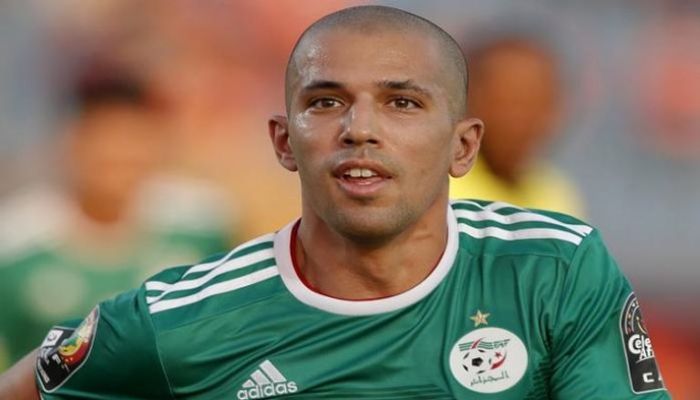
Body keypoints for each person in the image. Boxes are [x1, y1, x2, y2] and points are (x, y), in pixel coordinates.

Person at [0, 5, 668, 399]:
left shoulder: (558, 268)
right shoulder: (178, 321)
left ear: (463, 146)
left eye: (402, 102)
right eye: (325, 102)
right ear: (283, 141)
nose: (360, 128)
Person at [0, 64, 231, 371]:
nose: (119, 153)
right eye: (105, 137)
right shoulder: (15, 244)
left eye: (132, 137)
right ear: (71, 141)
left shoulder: (202, 222)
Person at [449, 30, 584, 216]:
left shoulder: (556, 193)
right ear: (468, 100)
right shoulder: (439, 191)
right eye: (510, 103)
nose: (524, 121)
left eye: (539, 103)